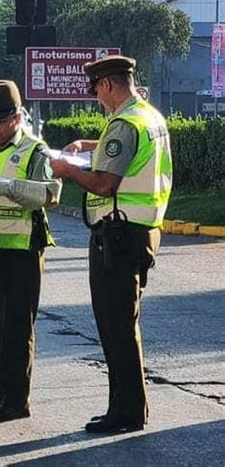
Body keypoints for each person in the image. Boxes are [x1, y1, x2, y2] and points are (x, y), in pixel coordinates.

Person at [50, 56, 173, 434]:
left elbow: (104, 183)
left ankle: (126, 411)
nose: (99, 101)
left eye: (98, 94)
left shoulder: (123, 124)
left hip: (118, 237)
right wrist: (91, 144)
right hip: (142, 231)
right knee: (125, 324)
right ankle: (130, 407)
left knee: (115, 327)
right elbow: (125, 153)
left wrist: (67, 169)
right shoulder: (148, 116)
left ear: (107, 85)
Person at [0, 80, 61, 423]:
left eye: (1, 121)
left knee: (17, 331)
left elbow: (51, 193)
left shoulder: (35, 150)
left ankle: (16, 401)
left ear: (18, 117)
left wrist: (7, 187)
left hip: (20, 251)